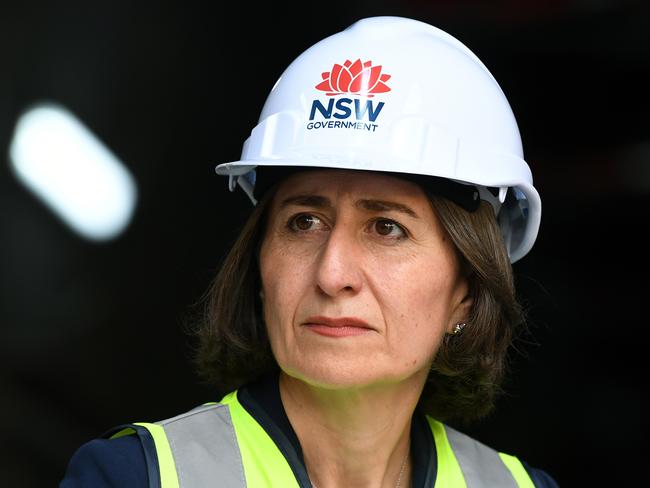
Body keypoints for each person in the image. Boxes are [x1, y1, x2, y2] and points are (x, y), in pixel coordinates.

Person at [60, 15, 559, 488]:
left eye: (386, 227)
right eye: (304, 222)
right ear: (258, 267)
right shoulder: (133, 477)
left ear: (466, 292)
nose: (332, 273)